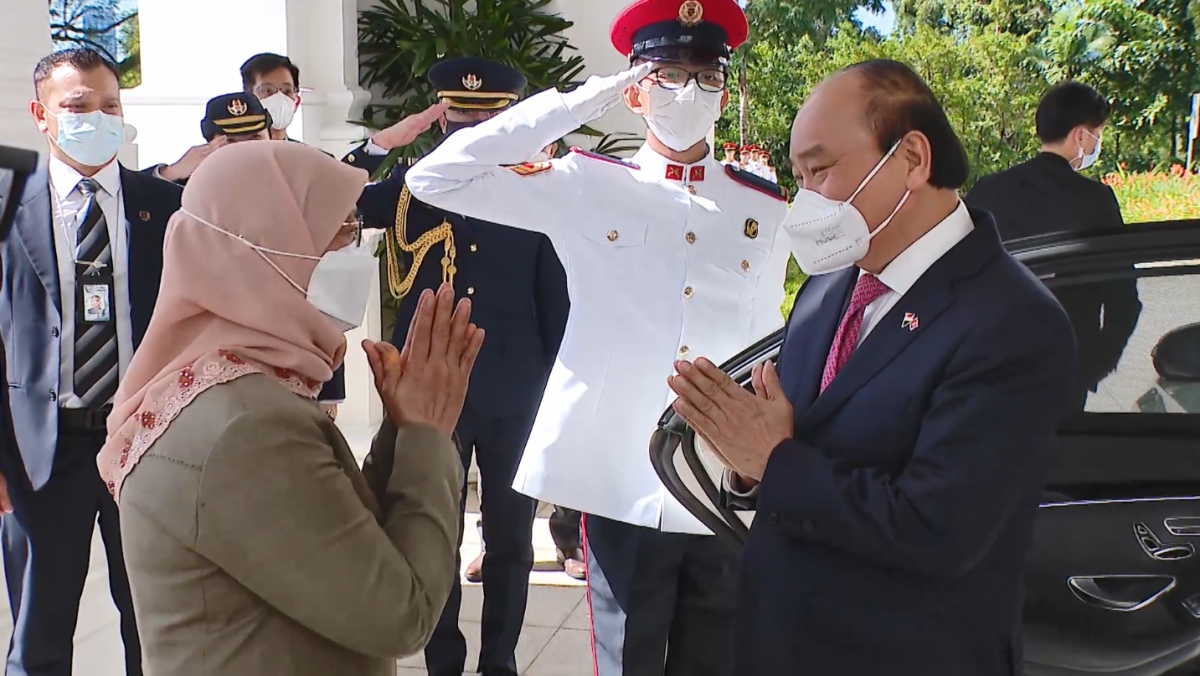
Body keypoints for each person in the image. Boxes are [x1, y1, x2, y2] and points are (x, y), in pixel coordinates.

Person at [403, 1, 791, 673]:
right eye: (669, 74)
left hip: (724, 481)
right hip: (622, 476)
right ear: (637, 89)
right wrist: (592, 95)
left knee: (716, 662)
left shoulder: (764, 205)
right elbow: (434, 176)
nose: (689, 92)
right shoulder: (586, 185)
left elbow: (778, 333)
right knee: (626, 663)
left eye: (705, 75)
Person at [667, 59, 1078, 676]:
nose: (807, 200)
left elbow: (937, 531)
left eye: (822, 169)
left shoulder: (1013, 321)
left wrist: (772, 461)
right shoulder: (829, 286)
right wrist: (748, 467)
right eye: (799, 176)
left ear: (912, 158)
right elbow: (798, 448)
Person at [99, 140, 480, 676]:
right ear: (270, 251)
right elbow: (401, 613)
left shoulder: (219, 383)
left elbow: (332, 531)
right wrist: (426, 436)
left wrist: (404, 425)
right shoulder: (246, 425)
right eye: (342, 230)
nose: (356, 247)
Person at [358, 57, 569, 676]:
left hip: (514, 391)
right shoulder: (415, 183)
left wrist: (560, 396)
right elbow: (331, 198)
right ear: (440, 113)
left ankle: (498, 662)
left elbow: (553, 300)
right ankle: (442, 661)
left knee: (510, 543)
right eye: (458, 112)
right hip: (427, 395)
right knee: (432, 537)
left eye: (486, 114)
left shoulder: (541, 188)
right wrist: (377, 145)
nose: (470, 124)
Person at [0, 47, 184, 676]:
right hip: (41, 455)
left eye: (110, 106)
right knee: (39, 636)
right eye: (77, 106)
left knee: (158, 627)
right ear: (40, 114)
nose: (96, 118)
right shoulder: (8, 205)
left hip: (147, 447)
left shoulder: (164, 208)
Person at [148, 92, 349, 416]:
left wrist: (330, 389)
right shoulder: (187, 201)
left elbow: (322, 298)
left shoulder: (296, 203)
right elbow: (133, 208)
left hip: (289, 373)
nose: (247, 151)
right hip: (209, 375)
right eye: (231, 141)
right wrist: (171, 173)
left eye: (255, 137)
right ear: (207, 146)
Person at [965, 80, 1140, 409]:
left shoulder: (988, 191)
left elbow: (957, 280)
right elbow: (1124, 300)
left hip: (989, 373)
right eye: (1097, 133)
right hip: (1061, 376)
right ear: (1080, 136)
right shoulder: (1096, 200)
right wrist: (1090, 370)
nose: (1096, 142)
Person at [240, 52, 304, 142]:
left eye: (287, 91)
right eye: (268, 90)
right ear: (248, 100)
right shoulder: (233, 154)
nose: (279, 97)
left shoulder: (313, 156)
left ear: (296, 103)